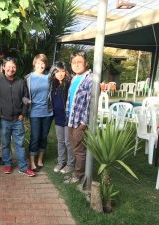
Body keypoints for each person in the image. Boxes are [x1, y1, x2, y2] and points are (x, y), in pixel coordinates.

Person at [0, 58, 35, 177]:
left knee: (19, 144)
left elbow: (25, 98)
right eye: (8, 67)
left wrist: (23, 114)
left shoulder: (21, 82)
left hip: (17, 120)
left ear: (16, 68)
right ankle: (7, 163)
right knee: (5, 144)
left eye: (13, 67)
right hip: (3, 120)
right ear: (4, 67)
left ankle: (23, 167)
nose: (11, 69)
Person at [64, 51, 92, 184]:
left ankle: (78, 175)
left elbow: (91, 103)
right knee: (74, 147)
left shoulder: (90, 79)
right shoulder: (74, 78)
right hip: (71, 119)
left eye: (79, 62)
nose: (76, 65)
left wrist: (84, 123)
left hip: (80, 122)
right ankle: (77, 171)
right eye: (74, 62)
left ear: (86, 63)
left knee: (79, 150)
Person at [24, 54, 53, 171]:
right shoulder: (28, 78)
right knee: (35, 136)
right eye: (39, 63)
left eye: (43, 63)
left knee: (44, 136)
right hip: (34, 112)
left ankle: (40, 159)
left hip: (48, 112)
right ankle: (32, 160)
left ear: (45, 65)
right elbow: (23, 96)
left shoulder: (50, 78)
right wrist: (27, 100)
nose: (41, 65)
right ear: (34, 64)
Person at [49, 62, 75, 174]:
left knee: (68, 142)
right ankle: (61, 162)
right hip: (58, 117)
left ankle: (70, 164)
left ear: (66, 72)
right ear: (53, 72)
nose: (60, 74)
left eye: (62, 71)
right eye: (57, 71)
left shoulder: (69, 84)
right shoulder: (53, 84)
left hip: (67, 117)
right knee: (60, 141)